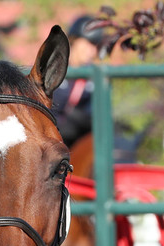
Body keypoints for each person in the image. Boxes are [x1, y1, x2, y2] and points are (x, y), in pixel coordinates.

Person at [53, 15, 106, 148]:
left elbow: (94, 114)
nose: (93, 51)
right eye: (89, 43)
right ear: (74, 40)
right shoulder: (52, 68)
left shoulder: (92, 76)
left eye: (96, 46)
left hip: (76, 142)